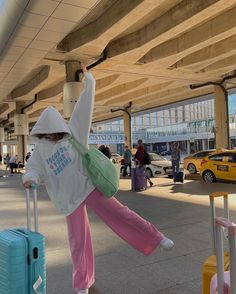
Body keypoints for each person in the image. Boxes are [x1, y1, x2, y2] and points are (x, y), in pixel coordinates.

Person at [22, 65, 174, 294]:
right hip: (68, 199)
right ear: (43, 132)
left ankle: (156, 237)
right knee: (78, 241)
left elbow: (84, 108)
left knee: (121, 213)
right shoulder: (40, 150)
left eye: (54, 131)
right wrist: (30, 178)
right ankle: (83, 283)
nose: (52, 135)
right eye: (48, 132)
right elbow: (33, 169)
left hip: (88, 187)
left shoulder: (73, 133)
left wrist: (89, 81)